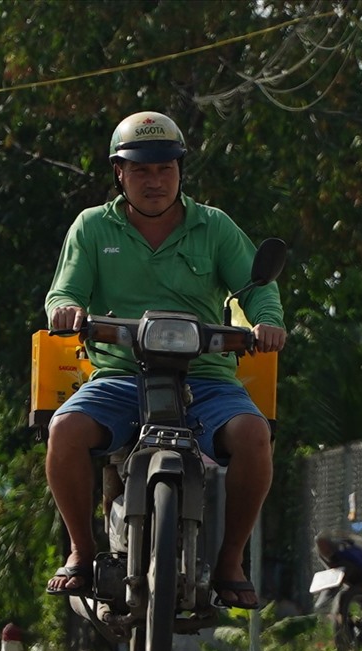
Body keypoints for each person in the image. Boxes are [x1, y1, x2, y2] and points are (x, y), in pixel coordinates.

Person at [43, 110, 287, 609]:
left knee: (254, 434)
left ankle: (230, 561)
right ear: (119, 172)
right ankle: (81, 551)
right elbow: (63, 292)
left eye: (165, 169)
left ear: (179, 171)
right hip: (118, 375)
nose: (154, 180)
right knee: (63, 431)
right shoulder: (91, 228)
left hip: (206, 377)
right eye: (141, 170)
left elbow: (261, 291)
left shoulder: (215, 227)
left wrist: (267, 323)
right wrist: (66, 311)